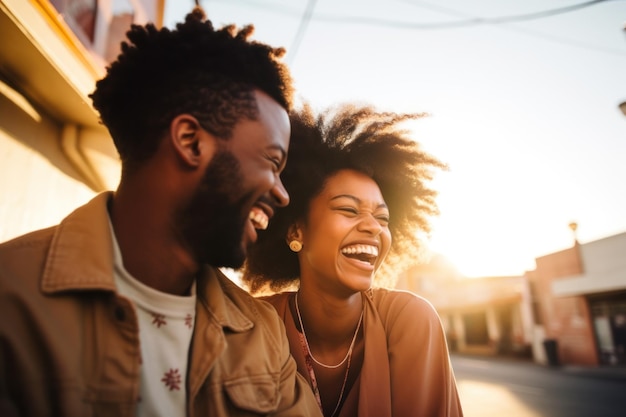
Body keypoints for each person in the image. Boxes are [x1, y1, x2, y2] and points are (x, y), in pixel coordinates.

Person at [0, 6, 322, 417]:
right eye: (272, 163)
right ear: (190, 141)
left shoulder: (262, 334)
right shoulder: (11, 302)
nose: (282, 194)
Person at [242, 103, 464, 417]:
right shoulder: (255, 325)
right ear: (296, 230)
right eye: (348, 210)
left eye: (383, 218)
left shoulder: (410, 320)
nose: (373, 227)